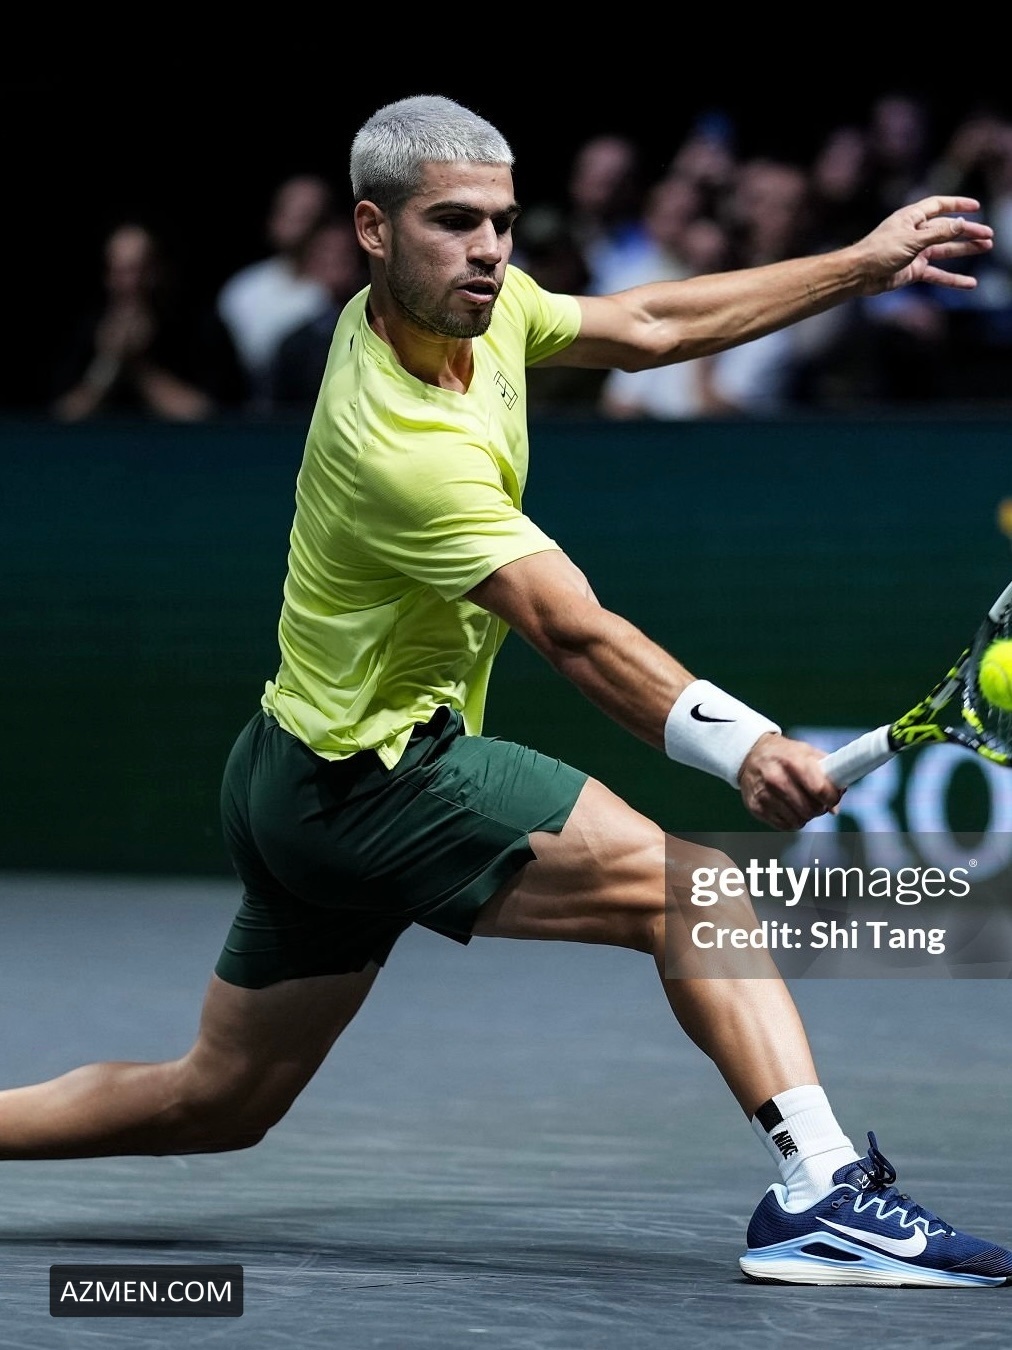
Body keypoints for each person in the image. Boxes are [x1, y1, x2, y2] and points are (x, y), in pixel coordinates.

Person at [7, 95, 1009, 1290]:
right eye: (453, 222)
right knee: (695, 891)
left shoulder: (474, 311)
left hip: (286, 773)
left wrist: (859, 263)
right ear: (372, 229)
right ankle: (822, 1193)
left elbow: (646, 321)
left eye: (502, 221)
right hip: (381, 778)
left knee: (213, 1104)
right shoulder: (399, 447)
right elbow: (573, 632)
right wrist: (744, 747)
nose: (487, 249)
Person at [50, 221, 247, 422]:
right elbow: (66, 414)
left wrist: (138, 366)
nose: (131, 283)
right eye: (120, 272)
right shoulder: (85, 328)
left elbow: (205, 414)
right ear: (107, 276)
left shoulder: (199, 326)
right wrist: (109, 362)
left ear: (160, 270)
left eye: (139, 270)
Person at [216, 173, 335, 408]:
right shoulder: (243, 292)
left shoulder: (347, 291)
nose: (307, 226)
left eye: (317, 216)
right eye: (297, 214)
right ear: (275, 220)